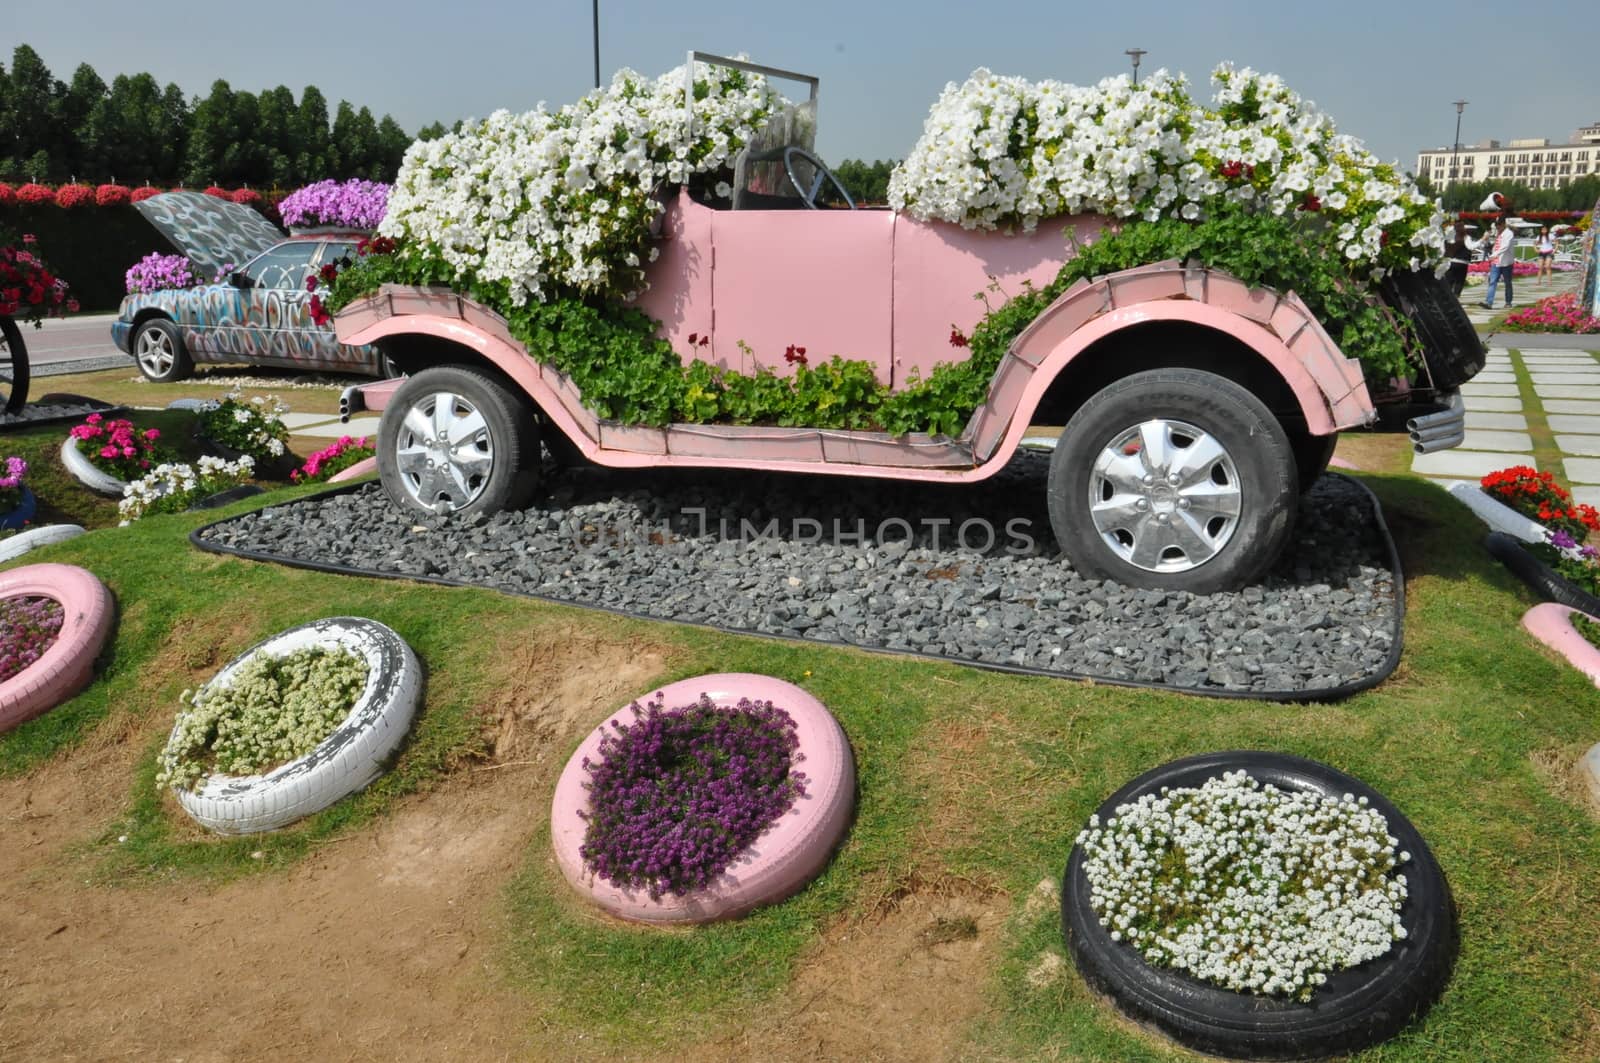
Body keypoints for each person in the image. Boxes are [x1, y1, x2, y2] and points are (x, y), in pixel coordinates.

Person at [1482, 218, 1516, 310]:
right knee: (1492, 282)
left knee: (1507, 282)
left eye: (1499, 225)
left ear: (1503, 224)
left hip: (1506, 262)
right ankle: (1489, 302)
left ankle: (1508, 302)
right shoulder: (1498, 233)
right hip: (1496, 262)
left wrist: (1494, 254)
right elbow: (1495, 245)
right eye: (1497, 226)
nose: (1498, 228)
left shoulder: (1509, 233)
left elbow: (1505, 246)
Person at [1444, 222, 1471, 298]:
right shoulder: (1465, 237)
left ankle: (1448, 297)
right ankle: (1456, 296)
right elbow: (1471, 247)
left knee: (1449, 281)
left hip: (1450, 262)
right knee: (1460, 281)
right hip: (1462, 262)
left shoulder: (1450, 237)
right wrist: (1482, 239)